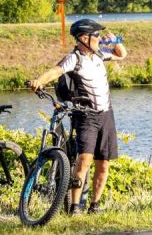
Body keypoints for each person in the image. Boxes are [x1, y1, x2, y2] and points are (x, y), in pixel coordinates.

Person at [29, 19, 127, 215]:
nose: (99, 39)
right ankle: (75, 206)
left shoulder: (99, 54)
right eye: (96, 35)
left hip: (106, 114)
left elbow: (122, 54)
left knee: (104, 161)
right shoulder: (74, 58)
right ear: (84, 38)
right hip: (86, 116)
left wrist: (114, 39)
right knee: (84, 160)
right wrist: (39, 81)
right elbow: (56, 71)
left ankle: (95, 205)